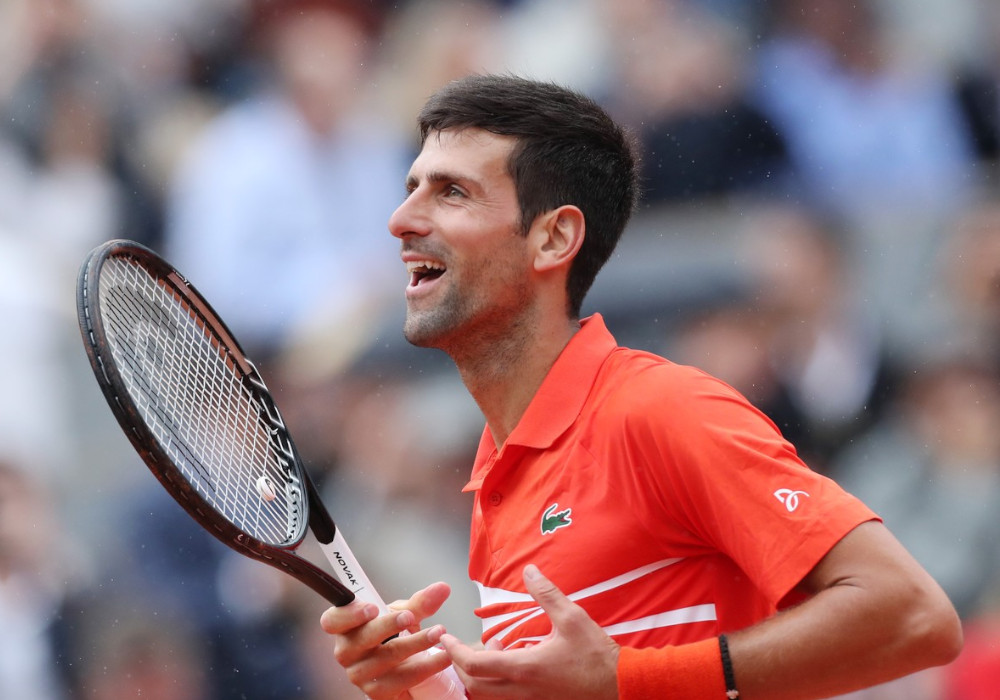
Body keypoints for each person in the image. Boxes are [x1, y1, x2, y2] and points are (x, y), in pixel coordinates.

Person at [319, 74, 962, 700]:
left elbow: (912, 615)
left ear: (554, 238)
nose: (400, 219)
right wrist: (419, 687)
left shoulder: (659, 410)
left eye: (452, 192)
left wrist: (629, 680)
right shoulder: (497, 469)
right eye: (412, 188)